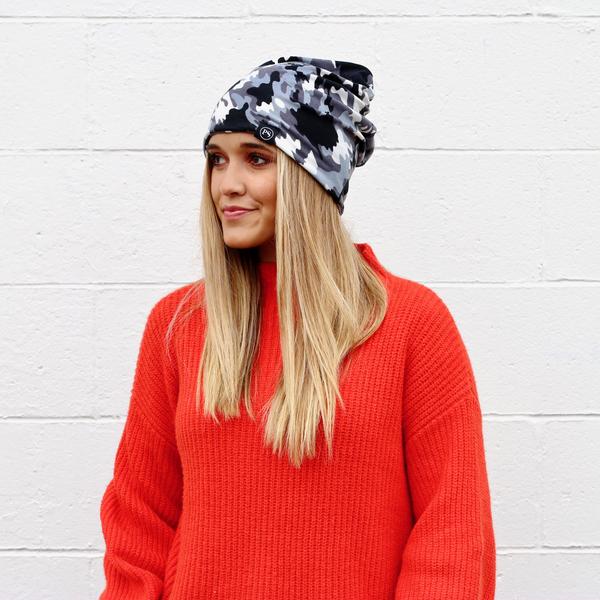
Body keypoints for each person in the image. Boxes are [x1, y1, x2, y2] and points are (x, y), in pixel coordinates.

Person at [98, 56, 496, 599]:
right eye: (217, 160)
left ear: (313, 175)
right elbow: (140, 521)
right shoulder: (178, 325)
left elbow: (453, 535)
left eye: (256, 158)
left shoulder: (410, 324)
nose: (227, 184)